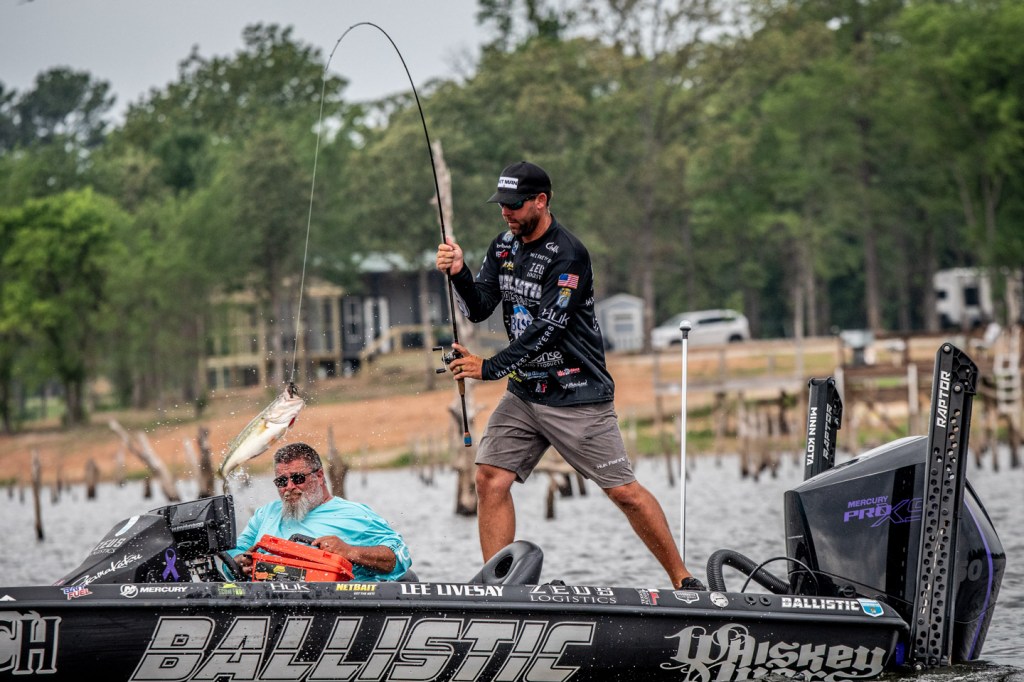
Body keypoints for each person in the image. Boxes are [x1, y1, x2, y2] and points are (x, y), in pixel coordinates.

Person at [435, 161, 705, 591]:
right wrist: (460, 274)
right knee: (490, 478)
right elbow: (480, 307)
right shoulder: (503, 247)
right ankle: (500, 591)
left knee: (623, 492)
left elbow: (549, 328)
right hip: (525, 394)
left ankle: (684, 580)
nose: (505, 212)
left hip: (577, 394)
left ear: (541, 201)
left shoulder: (569, 254)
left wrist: (489, 367)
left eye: (514, 204)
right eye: (501, 204)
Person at [228, 442, 412, 581]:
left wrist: (350, 551)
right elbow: (233, 554)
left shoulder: (355, 514)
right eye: (282, 481)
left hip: (331, 603)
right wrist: (238, 562)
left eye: (298, 478)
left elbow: (399, 558)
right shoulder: (265, 514)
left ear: (320, 476)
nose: (289, 487)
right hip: (267, 600)